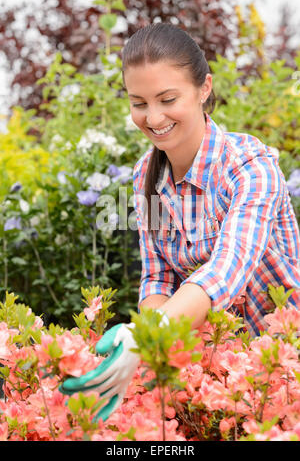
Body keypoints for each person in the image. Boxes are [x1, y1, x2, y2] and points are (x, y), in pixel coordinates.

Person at [60, 23, 300, 422]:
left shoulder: (250, 168)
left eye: (167, 98)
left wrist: (145, 335)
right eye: (138, 103)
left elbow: (228, 267)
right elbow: (158, 279)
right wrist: (152, 349)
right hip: (211, 370)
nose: (153, 118)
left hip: (282, 363)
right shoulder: (146, 178)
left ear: (204, 88)